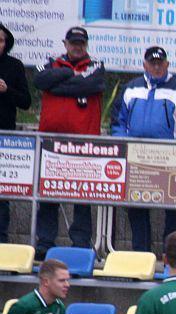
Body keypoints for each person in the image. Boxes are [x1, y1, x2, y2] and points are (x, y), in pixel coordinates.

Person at [111, 46, 176, 252]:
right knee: (137, 208)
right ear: (145, 65)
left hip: (171, 159)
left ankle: (172, 255)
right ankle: (141, 254)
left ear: (167, 64)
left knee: (173, 209)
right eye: (152, 63)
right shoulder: (130, 88)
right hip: (136, 158)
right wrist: (124, 145)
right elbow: (117, 121)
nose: (156, 67)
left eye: (160, 63)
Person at [33, 26, 106, 258]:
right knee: (48, 193)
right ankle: (45, 243)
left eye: (81, 43)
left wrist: (57, 85)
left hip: (83, 143)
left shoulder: (96, 65)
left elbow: (88, 85)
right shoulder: (50, 62)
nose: (77, 47)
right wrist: (68, 73)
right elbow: (39, 80)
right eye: (73, 43)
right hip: (50, 142)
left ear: (86, 45)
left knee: (82, 194)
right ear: (65, 44)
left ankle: (81, 243)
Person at [0, 23, 31, 244]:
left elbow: (26, 102)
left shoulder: (14, 66)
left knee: (2, 193)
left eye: (0, 40)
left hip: (4, 137)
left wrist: (7, 90)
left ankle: (1, 239)